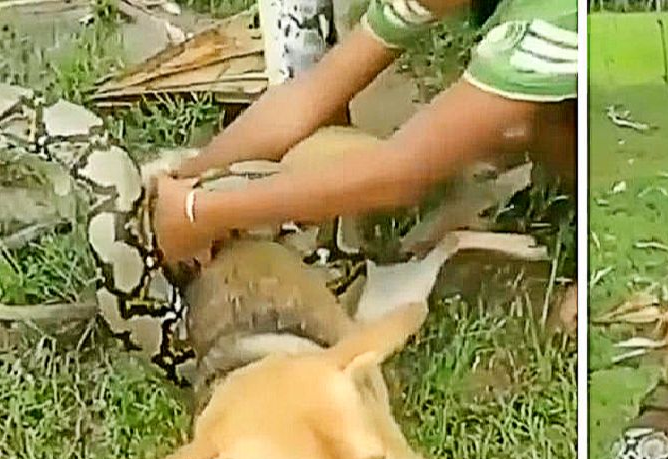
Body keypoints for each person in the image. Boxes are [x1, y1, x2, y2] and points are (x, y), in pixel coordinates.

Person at [151, 0, 577, 265]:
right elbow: (308, 97)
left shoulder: (550, 24)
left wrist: (200, 212)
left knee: (527, 120)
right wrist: (186, 177)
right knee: (509, 118)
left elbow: (399, 173)